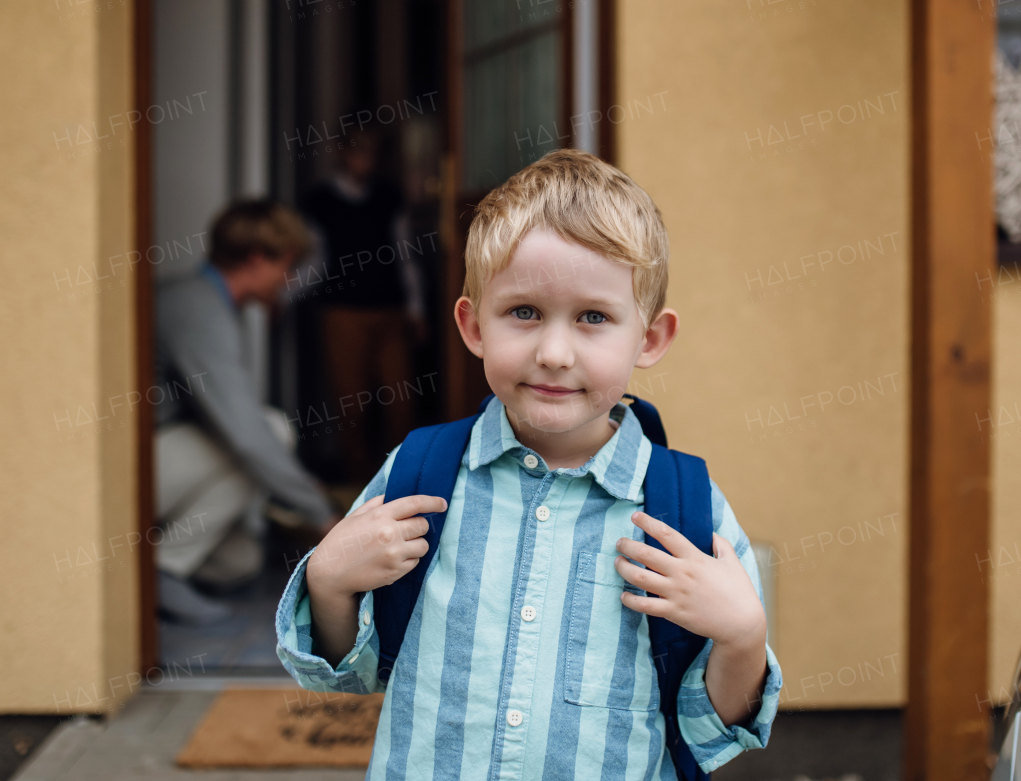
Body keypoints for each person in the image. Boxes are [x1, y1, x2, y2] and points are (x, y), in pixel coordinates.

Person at [274, 150, 781, 777]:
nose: (555, 352)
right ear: (474, 325)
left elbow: (711, 732)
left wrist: (742, 636)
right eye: (524, 313)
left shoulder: (684, 509)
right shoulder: (419, 474)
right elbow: (346, 679)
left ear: (648, 339)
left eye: (593, 318)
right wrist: (328, 582)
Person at [155, 199, 342, 624]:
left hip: (164, 459)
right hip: (135, 467)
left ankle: (153, 562)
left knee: (239, 562)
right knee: (271, 431)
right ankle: (163, 568)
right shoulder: (196, 307)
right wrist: (321, 513)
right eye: (288, 266)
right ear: (258, 259)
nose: (289, 279)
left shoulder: (208, 302)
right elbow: (246, 434)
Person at [298, 129, 425, 483]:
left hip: (390, 310)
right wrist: (280, 297)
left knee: (401, 400)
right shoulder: (318, 201)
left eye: (371, 151)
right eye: (357, 151)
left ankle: (404, 479)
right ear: (340, 151)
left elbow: (405, 255)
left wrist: (416, 309)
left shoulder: (389, 196)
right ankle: (357, 486)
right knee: (351, 403)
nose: (364, 160)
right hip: (342, 312)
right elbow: (313, 262)